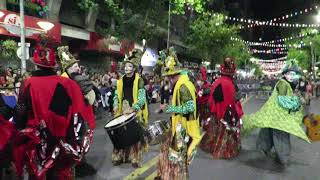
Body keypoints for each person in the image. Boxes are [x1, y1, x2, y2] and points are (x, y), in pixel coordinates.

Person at [12, 40, 95, 180]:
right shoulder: (69, 83)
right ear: (54, 65)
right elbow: (81, 111)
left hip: (39, 141)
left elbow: (21, 110)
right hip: (63, 140)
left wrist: (18, 129)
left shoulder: (28, 83)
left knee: (39, 173)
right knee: (61, 173)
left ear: (36, 64)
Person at [243, 60, 310, 168]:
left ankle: (263, 148)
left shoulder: (285, 83)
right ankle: (283, 157)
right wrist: (297, 102)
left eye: (294, 74)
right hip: (279, 115)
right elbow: (283, 100)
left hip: (274, 113)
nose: (292, 76)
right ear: (285, 74)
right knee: (281, 134)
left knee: (268, 130)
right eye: (290, 74)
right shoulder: (283, 84)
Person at [155, 48, 202, 180]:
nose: (168, 79)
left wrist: (170, 108)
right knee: (168, 154)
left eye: (169, 77)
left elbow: (189, 107)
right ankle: (166, 175)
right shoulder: (180, 83)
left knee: (177, 160)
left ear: (174, 75)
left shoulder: (183, 86)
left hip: (183, 129)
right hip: (178, 126)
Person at [57, 46, 97, 177]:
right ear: (66, 69)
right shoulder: (63, 81)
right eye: (73, 66)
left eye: (76, 65)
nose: (77, 67)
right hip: (68, 118)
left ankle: (78, 164)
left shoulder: (77, 78)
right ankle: (73, 167)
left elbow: (90, 97)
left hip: (78, 116)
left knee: (80, 141)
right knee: (73, 142)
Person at [201, 57, 243, 159]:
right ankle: (225, 149)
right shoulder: (232, 84)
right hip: (228, 113)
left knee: (215, 131)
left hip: (217, 113)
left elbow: (211, 99)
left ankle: (213, 147)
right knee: (226, 132)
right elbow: (235, 100)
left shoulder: (217, 82)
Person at [112, 49, 149, 168]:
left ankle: (135, 157)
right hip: (122, 110)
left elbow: (142, 98)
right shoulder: (120, 80)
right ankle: (120, 156)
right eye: (125, 66)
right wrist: (116, 104)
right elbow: (117, 95)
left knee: (134, 136)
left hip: (134, 111)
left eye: (129, 66)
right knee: (121, 134)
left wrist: (134, 108)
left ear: (134, 68)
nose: (127, 68)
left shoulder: (140, 81)